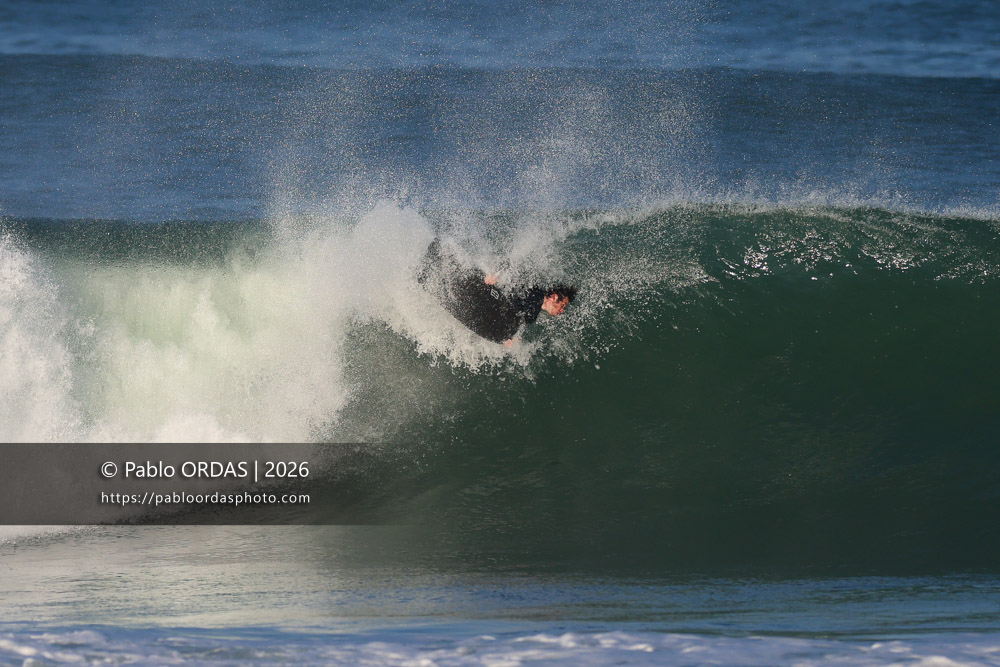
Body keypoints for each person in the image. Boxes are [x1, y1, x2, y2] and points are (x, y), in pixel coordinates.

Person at [418, 238, 577, 345]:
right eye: (562, 305)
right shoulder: (535, 293)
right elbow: (514, 268)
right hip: (488, 292)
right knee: (457, 276)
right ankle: (438, 250)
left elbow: (519, 320)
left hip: (489, 303)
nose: (561, 311)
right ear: (554, 297)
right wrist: (497, 276)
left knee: (450, 291)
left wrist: (511, 338)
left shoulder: (533, 312)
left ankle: (425, 276)